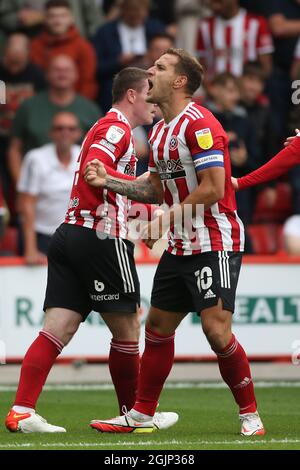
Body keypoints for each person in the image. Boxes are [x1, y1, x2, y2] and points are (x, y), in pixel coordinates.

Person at [85, 48, 265, 436]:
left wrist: (166, 219)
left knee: (216, 332)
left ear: (180, 81)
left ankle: (250, 413)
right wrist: (110, 181)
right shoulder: (160, 130)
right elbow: (154, 188)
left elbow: (214, 189)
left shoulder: (200, 124)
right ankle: (143, 413)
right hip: (182, 244)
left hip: (214, 240)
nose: (149, 71)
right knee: (158, 327)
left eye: (160, 68)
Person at [5, 67, 177, 434]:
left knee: (58, 327)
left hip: (70, 233)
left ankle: (21, 410)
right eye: (151, 92)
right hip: (100, 236)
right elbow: (96, 173)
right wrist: (146, 199)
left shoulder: (112, 128)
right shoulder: (116, 129)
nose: (155, 102)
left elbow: (105, 182)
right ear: (132, 95)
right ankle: (135, 414)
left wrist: (147, 211)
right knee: (129, 327)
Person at [7, 55, 101, 186]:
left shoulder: (90, 109)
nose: (62, 74)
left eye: (67, 70)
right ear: (47, 74)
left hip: (78, 184)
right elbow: (14, 149)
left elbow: (100, 153)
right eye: (56, 69)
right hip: (36, 183)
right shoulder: (28, 106)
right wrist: (22, 185)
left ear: (76, 75)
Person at [17, 112, 81, 265]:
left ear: (78, 133)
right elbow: (26, 204)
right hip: (42, 236)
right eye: (59, 128)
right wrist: (30, 248)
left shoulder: (85, 156)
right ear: (51, 133)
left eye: (71, 129)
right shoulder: (36, 159)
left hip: (75, 236)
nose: (65, 132)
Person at [92, 0, 165, 112]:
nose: (137, 15)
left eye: (141, 11)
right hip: (116, 83)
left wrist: (151, 59)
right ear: (123, 10)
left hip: (151, 80)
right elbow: (96, 67)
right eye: (133, 10)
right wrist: (118, 61)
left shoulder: (155, 28)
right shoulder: (105, 32)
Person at [30, 0, 98, 100]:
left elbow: (88, 82)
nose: (57, 21)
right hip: (43, 103)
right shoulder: (35, 46)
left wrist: (79, 106)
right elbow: (33, 81)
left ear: (71, 19)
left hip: (75, 105)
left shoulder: (84, 47)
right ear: (45, 19)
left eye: (63, 16)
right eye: (52, 16)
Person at [196, 0, 274, 80]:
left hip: (247, 91)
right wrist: (210, 89)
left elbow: (266, 67)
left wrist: (252, 87)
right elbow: (201, 66)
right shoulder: (204, 25)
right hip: (216, 89)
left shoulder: (257, 23)